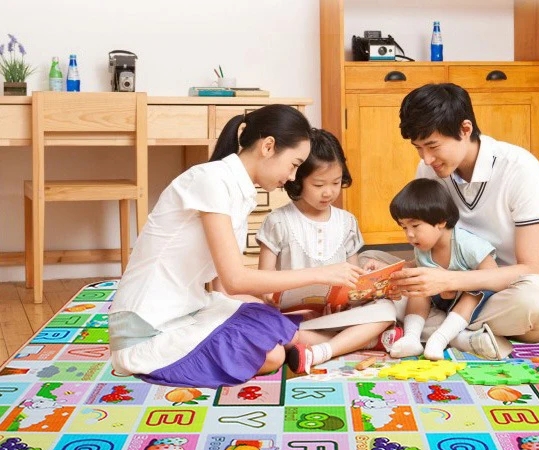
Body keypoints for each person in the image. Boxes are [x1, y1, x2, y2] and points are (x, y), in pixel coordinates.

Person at [108, 105, 365, 388]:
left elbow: (222, 287)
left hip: (190, 309)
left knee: (271, 320)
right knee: (273, 353)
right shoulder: (210, 180)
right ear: (268, 147)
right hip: (147, 328)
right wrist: (322, 274)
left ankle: (359, 338)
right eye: (293, 164)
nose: (293, 177)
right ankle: (360, 338)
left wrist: (272, 306)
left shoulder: (237, 190)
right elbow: (235, 280)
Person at [363, 83, 539, 359]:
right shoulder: (429, 169)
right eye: (418, 148)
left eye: (433, 146)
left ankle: (427, 327)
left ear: (465, 129)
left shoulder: (520, 169)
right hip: (453, 285)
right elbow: (430, 248)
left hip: (515, 289)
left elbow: (531, 269)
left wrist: (448, 281)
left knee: (535, 302)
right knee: (367, 264)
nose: (427, 158)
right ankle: (462, 337)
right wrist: (400, 273)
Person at [256, 128, 401, 374]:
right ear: (297, 179)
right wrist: (285, 303)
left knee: (387, 310)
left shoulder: (347, 222)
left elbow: (354, 281)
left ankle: (324, 349)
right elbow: (262, 285)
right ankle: (363, 341)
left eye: (336, 183)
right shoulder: (278, 221)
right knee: (274, 333)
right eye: (318, 184)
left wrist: (367, 286)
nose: (329, 192)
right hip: (295, 319)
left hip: (338, 316)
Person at [388, 178, 500, 360]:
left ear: (440, 221)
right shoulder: (422, 247)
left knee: (473, 293)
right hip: (441, 301)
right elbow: (416, 266)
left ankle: (440, 338)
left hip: (470, 303)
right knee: (418, 285)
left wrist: (456, 284)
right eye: (404, 227)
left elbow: (492, 276)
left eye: (415, 225)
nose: (409, 234)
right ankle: (411, 337)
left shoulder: (467, 244)